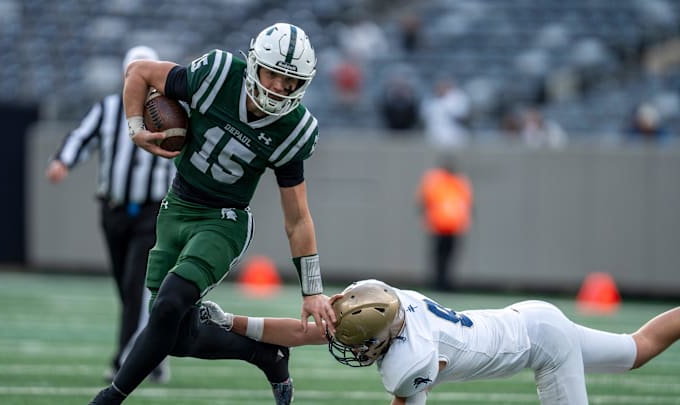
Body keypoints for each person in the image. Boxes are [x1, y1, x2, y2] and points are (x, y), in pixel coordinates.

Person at [89, 22, 336, 404]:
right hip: (176, 207)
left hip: (224, 219)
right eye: (275, 74)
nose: (281, 88)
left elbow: (298, 218)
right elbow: (138, 72)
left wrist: (313, 290)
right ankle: (265, 355)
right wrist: (136, 128)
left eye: (291, 81)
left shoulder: (293, 129)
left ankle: (108, 399)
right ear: (254, 64)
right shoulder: (218, 74)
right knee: (171, 330)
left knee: (170, 304)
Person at [200, 279, 680, 405]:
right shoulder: (386, 302)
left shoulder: (410, 361)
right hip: (533, 318)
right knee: (635, 351)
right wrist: (234, 321)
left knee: (634, 353)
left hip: (543, 345)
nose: (350, 350)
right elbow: (309, 330)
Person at [46, 45, 173, 384]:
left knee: (135, 287)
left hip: (152, 213)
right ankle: (154, 354)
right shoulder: (107, 109)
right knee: (125, 286)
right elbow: (81, 137)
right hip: (114, 210)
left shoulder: (170, 111)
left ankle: (123, 362)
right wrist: (63, 161)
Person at [416, 158, 473, 291]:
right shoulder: (437, 181)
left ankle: (445, 282)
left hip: (453, 225)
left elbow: (465, 203)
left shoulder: (457, 182)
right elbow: (426, 200)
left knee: (449, 255)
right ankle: (438, 282)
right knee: (439, 255)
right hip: (440, 225)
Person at [419, 79, 471, 147]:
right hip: (434, 135)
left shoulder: (457, 98)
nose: (441, 89)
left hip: (456, 134)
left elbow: (463, 116)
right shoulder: (430, 101)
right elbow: (424, 117)